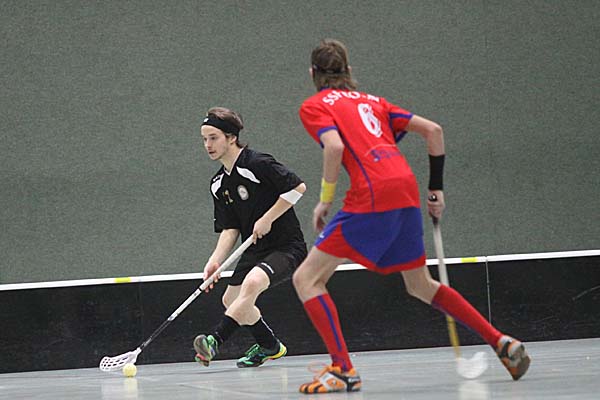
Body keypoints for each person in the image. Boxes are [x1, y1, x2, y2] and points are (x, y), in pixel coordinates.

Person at [292, 39, 531, 394]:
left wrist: (324, 200)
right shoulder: (375, 102)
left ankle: (342, 369)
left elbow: (335, 146)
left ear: (312, 73)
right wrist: (436, 189)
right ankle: (502, 342)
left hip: (371, 193)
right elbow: (434, 131)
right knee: (420, 285)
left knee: (306, 278)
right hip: (405, 188)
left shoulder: (314, 106)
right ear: (349, 71)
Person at [194, 106, 308, 369]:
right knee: (230, 300)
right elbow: (230, 228)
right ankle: (269, 345)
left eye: (214, 138)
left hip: (286, 246)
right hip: (255, 250)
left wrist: (268, 217)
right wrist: (215, 261)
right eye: (204, 139)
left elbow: (297, 188)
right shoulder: (218, 184)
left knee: (252, 284)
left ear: (231, 137)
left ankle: (214, 340)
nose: (208, 145)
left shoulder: (257, 163)